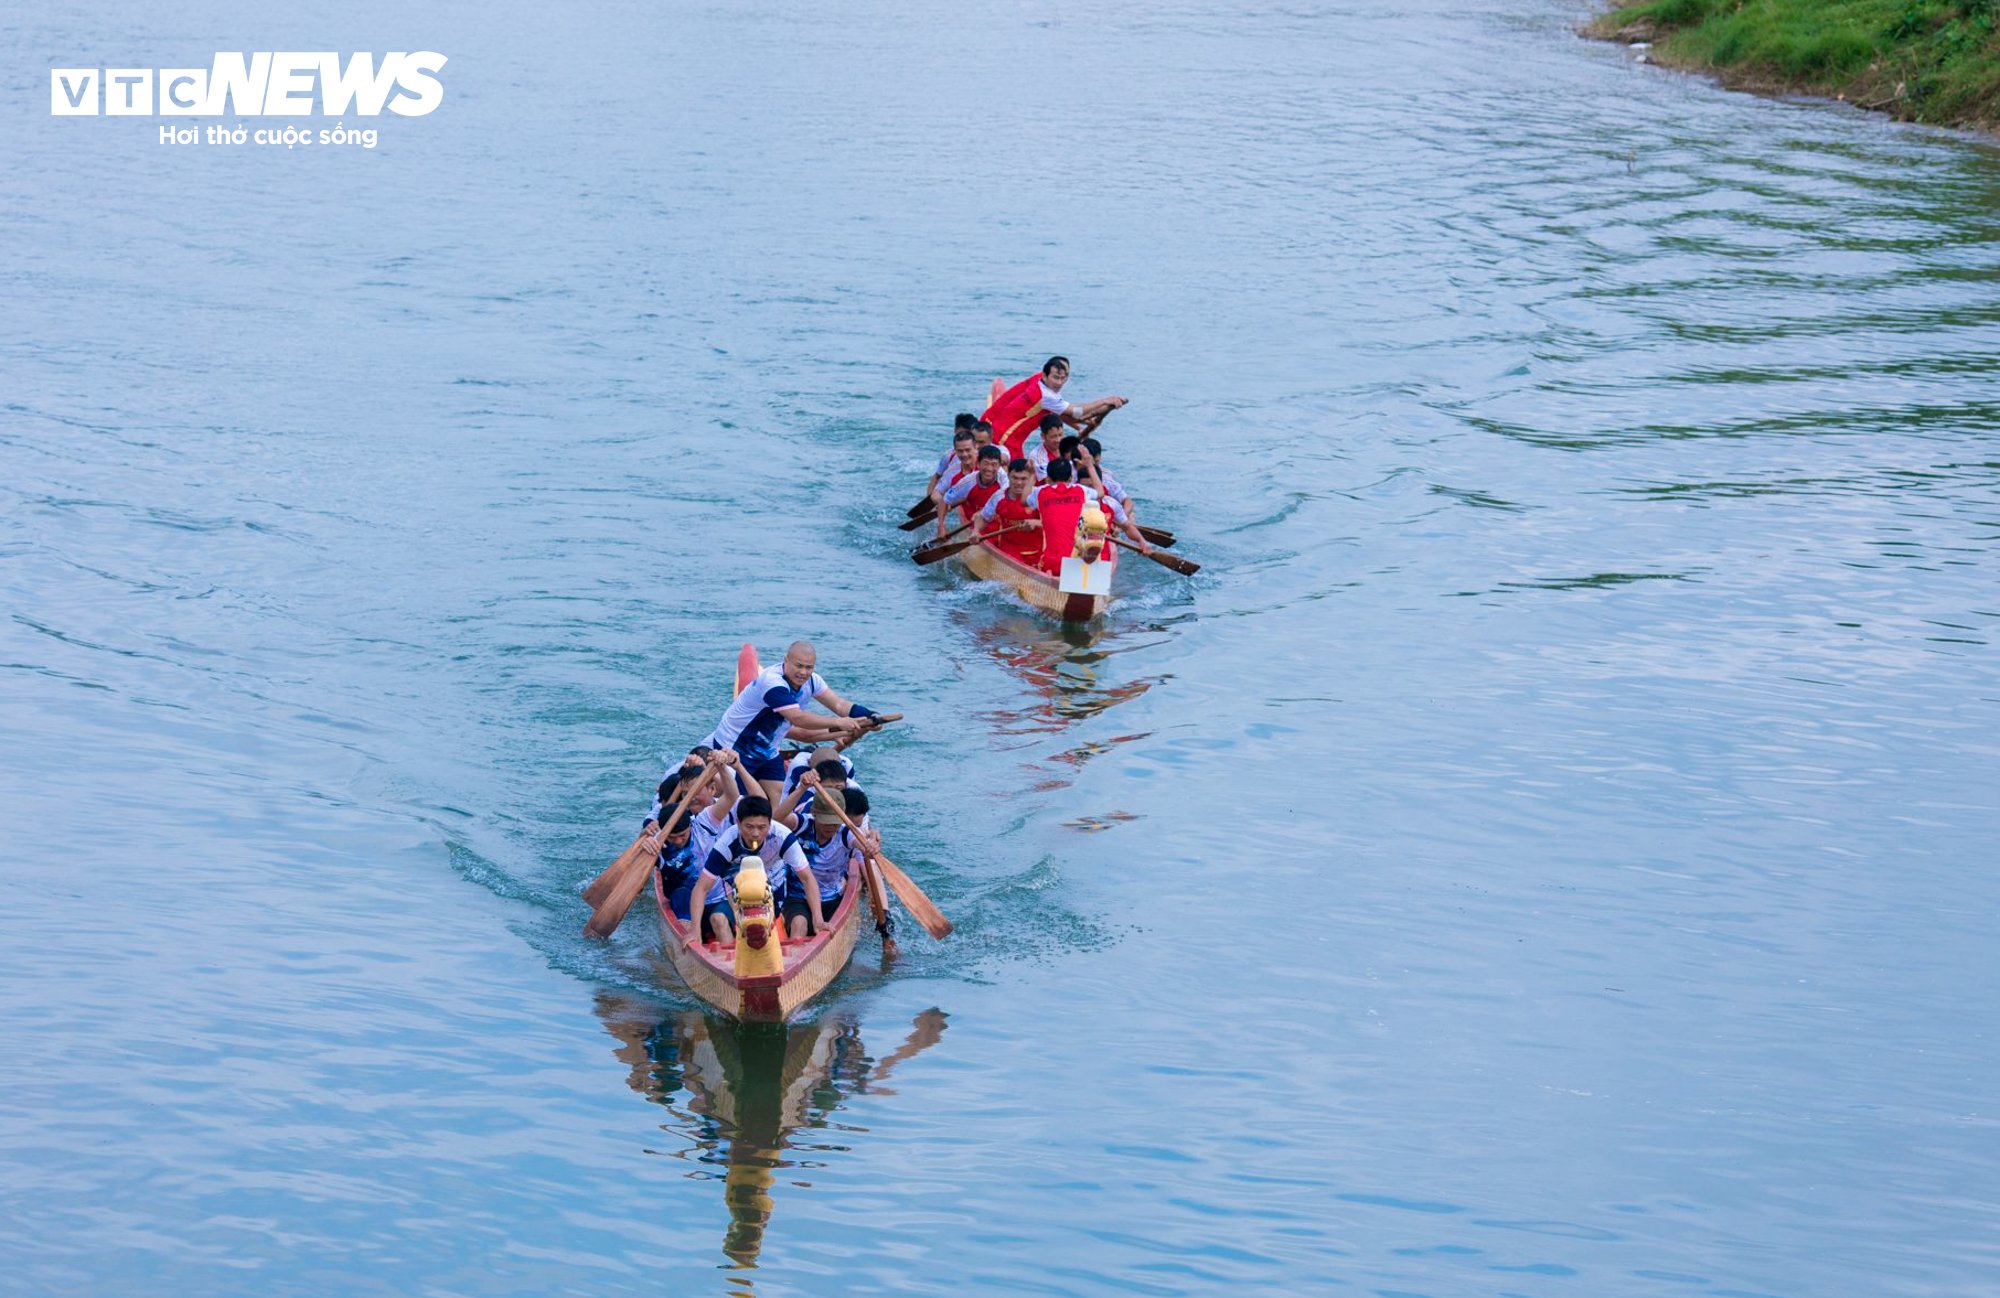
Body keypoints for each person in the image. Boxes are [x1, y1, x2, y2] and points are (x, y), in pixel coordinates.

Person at [703, 641, 876, 805]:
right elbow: (798, 718)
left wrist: (870, 716)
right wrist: (841, 724)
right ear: (785, 661)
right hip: (734, 747)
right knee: (736, 802)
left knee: (776, 803)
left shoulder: (813, 681)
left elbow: (839, 705)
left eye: (809, 667)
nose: (803, 672)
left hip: (767, 750)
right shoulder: (773, 682)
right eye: (798, 665)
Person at [685, 796, 820, 944]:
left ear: (770, 824)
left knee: (764, 931)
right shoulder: (727, 843)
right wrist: (695, 930)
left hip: (772, 883)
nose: (755, 833)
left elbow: (807, 878)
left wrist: (818, 919)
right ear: (738, 823)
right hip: (736, 887)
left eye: (762, 827)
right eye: (749, 827)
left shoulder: (782, 836)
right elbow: (701, 888)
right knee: (742, 930)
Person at [982, 357, 1129, 459]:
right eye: (1056, 377)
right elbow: (1078, 412)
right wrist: (1106, 401)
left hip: (1007, 433)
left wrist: (1079, 426)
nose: (1059, 382)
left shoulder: (1040, 380)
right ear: (1045, 375)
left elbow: (1061, 412)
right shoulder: (1046, 396)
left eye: (1063, 377)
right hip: (1004, 439)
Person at [789, 787, 878, 935]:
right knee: (799, 924)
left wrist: (872, 844)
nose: (831, 827)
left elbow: (866, 848)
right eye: (826, 822)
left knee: (836, 928)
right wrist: (802, 788)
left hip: (830, 898)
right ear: (814, 814)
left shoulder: (846, 833)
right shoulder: (801, 824)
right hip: (797, 895)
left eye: (835, 822)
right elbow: (776, 818)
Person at [975, 457, 1045, 565]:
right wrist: (975, 531)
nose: (1019, 483)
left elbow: (1058, 524)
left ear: (1031, 479)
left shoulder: (1041, 496)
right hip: (1009, 550)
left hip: (1039, 550)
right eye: (1015, 478)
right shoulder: (999, 497)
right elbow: (983, 518)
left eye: (1023, 479)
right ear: (1008, 476)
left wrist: (1037, 523)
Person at [935, 445, 1006, 539]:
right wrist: (941, 526)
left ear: (999, 466)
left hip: (999, 527)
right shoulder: (968, 481)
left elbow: (1005, 501)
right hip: (976, 527)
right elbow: (945, 500)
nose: (989, 468)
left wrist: (983, 512)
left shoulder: (1004, 480)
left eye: (994, 464)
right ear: (978, 464)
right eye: (986, 463)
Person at [919, 413, 977, 502]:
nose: (964, 438)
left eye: (968, 435)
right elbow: (937, 477)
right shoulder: (949, 456)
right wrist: (929, 502)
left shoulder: (986, 455)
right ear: (955, 431)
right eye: (961, 434)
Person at [1026, 415, 1065, 481]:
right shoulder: (1035, 455)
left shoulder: (1069, 448)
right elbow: (1048, 481)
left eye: (1060, 435)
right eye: (1053, 437)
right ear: (1043, 436)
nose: (1058, 440)